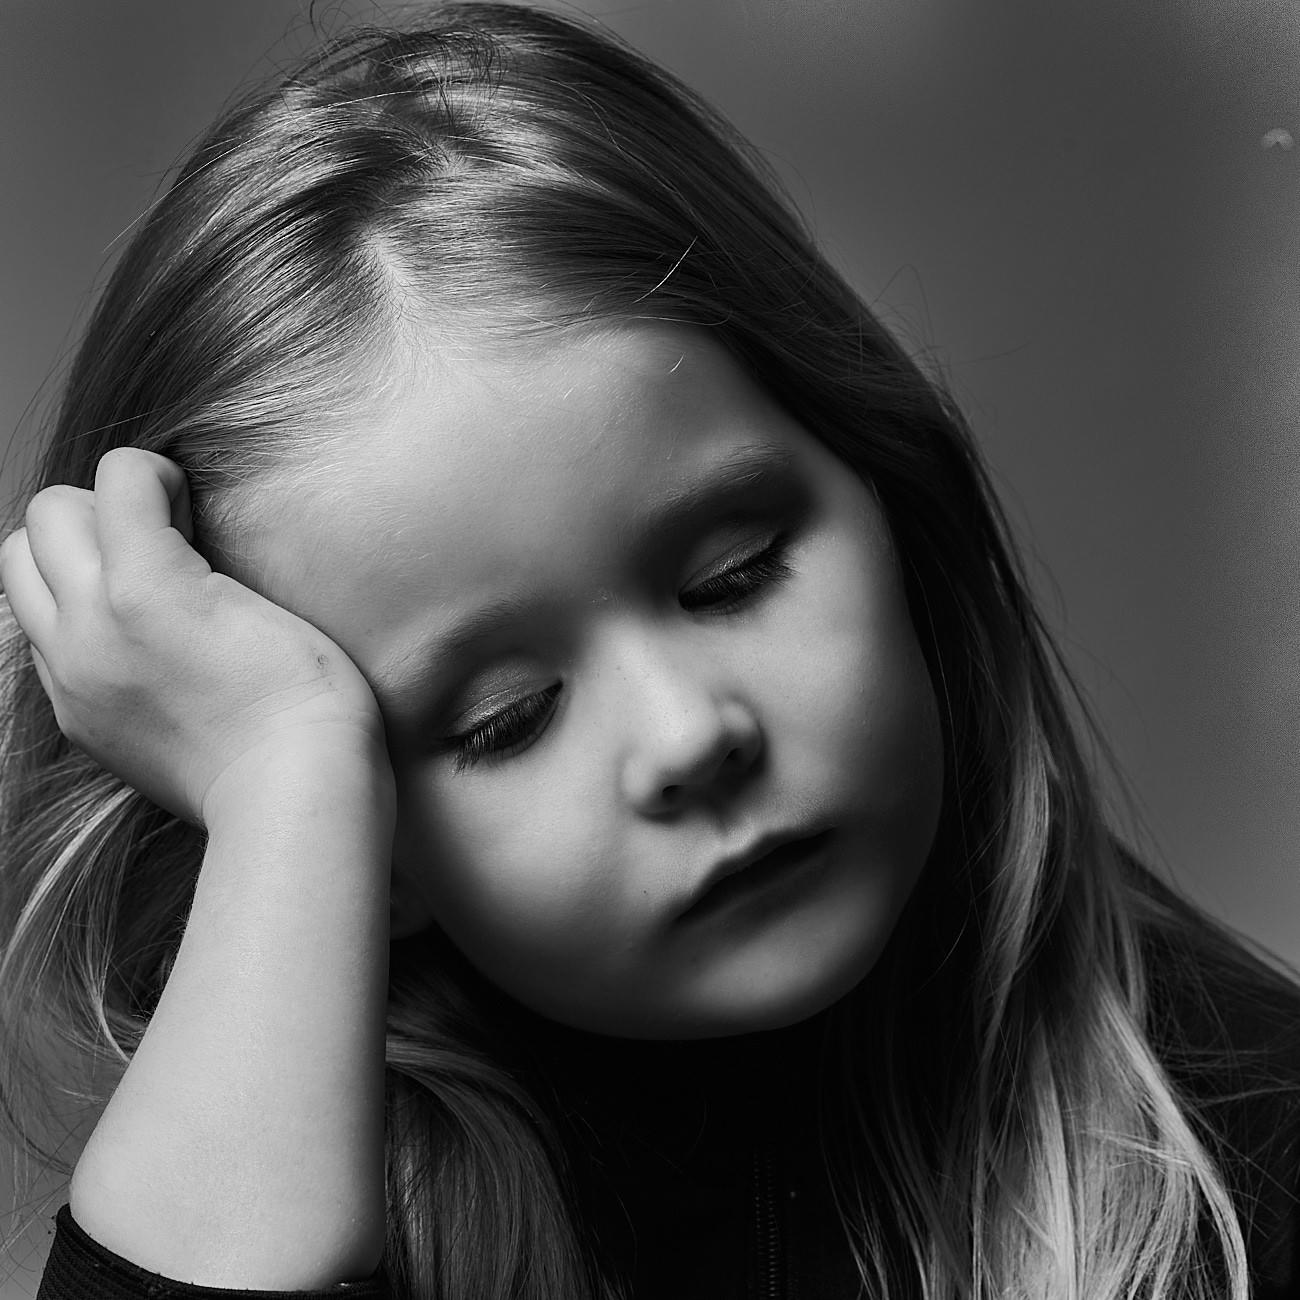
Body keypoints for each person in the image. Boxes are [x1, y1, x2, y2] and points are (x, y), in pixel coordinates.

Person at [0, 4, 1297, 1297]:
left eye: (735, 578)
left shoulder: (1254, 1151)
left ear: (895, 499)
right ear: (370, 853)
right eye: (508, 717)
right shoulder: (316, 1198)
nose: (691, 734)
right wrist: (283, 778)